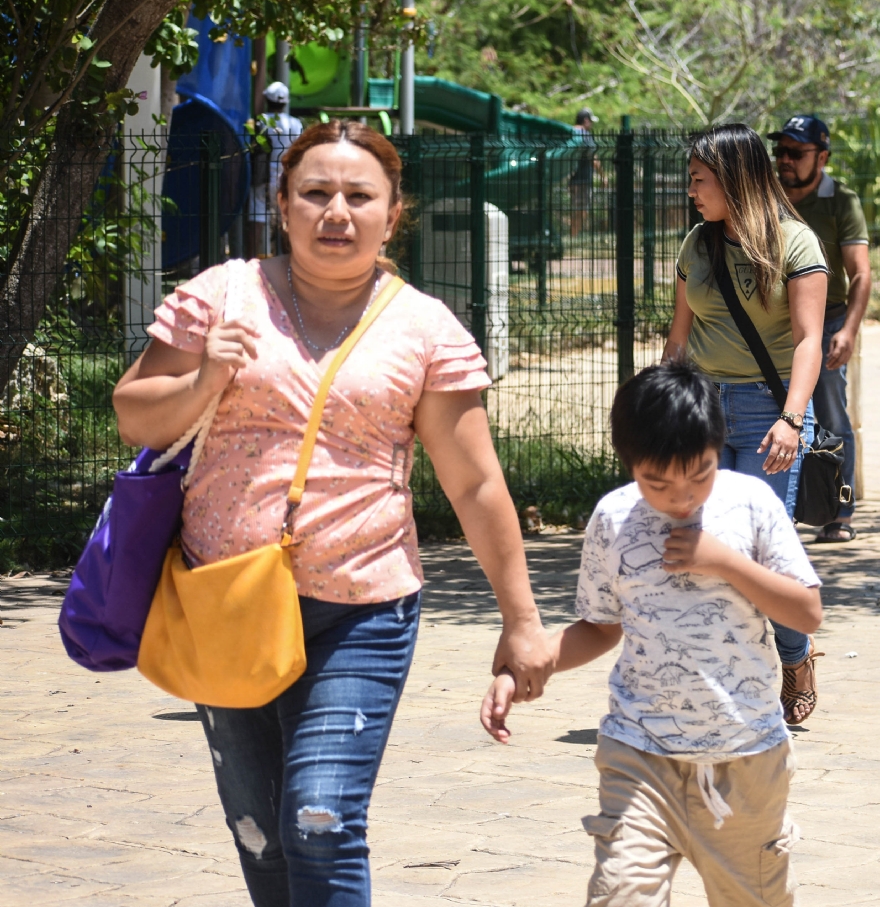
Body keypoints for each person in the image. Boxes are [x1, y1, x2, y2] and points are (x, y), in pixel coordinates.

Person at [112, 120, 556, 903]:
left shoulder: (425, 328)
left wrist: (521, 618)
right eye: (315, 193)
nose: (336, 212)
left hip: (363, 609)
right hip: (226, 601)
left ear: (393, 213)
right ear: (282, 206)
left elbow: (477, 483)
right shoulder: (218, 297)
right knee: (261, 833)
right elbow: (135, 415)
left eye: (360, 195)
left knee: (319, 818)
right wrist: (203, 379)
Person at [482, 361, 823, 907]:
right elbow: (599, 626)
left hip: (747, 761)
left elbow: (806, 612)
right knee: (620, 895)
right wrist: (528, 664)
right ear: (630, 465)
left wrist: (724, 562)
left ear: (718, 449)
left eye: (700, 474)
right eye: (657, 482)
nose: (681, 497)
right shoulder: (613, 519)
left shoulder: (752, 505)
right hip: (639, 753)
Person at [663, 123, 829, 725]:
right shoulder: (695, 246)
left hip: (770, 411)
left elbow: (811, 340)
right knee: (705, 546)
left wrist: (791, 418)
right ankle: (725, 680)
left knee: (762, 553)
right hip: (704, 409)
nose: (691, 192)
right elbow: (679, 339)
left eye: (700, 180)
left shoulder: (797, 243)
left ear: (734, 180)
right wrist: (664, 411)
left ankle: (794, 655)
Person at [769, 114, 869, 544]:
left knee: (830, 416)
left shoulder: (840, 201)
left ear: (822, 157)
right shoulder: (767, 197)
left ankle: (838, 511)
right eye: (781, 152)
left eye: (796, 153)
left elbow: (860, 274)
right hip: (774, 324)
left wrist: (847, 331)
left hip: (826, 322)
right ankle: (780, 513)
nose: (785, 160)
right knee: (775, 414)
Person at [246, 81, 302, 258]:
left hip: (262, 177)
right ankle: (287, 259)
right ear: (285, 102)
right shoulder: (296, 124)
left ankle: (251, 260)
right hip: (286, 177)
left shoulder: (261, 122)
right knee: (286, 219)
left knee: (257, 217)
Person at [569, 107, 598, 238]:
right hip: (583, 179)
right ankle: (573, 236)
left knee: (576, 209)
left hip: (571, 178)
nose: (591, 125)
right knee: (582, 210)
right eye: (590, 121)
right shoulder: (585, 135)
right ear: (586, 120)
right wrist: (603, 176)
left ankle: (573, 236)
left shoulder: (571, 132)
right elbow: (593, 158)